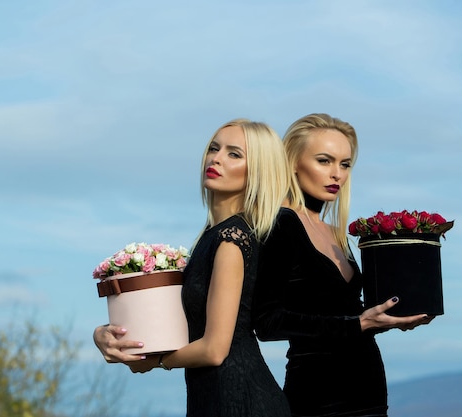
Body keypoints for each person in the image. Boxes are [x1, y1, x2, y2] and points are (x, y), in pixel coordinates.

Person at [93, 119, 292, 417]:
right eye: (214, 148)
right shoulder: (212, 237)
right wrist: (106, 334)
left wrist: (156, 361)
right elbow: (177, 325)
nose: (217, 158)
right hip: (215, 396)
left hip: (239, 399)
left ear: (259, 172)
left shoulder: (231, 240)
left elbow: (214, 349)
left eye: (234, 154)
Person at [253, 113, 434, 417]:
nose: (337, 174)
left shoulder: (334, 232)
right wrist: (360, 323)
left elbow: (344, 316)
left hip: (369, 388)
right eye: (324, 161)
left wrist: (392, 319)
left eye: (345, 164)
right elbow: (267, 323)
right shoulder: (280, 225)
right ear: (292, 162)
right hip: (319, 395)